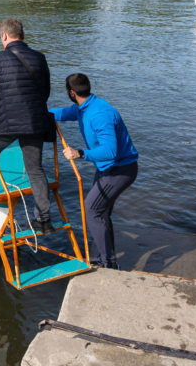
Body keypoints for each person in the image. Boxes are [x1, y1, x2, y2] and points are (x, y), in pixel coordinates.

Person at [0, 18, 54, 234]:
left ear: (4, 36)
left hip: (6, 122)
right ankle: (44, 220)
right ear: (21, 35)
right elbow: (46, 90)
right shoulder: (40, 58)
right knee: (35, 170)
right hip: (34, 122)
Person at [51, 73, 138, 269]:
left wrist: (79, 153)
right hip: (107, 169)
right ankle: (107, 259)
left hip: (120, 170)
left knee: (92, 211)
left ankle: (108, 263)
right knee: (101, 213)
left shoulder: (99, 114)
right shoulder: (85, 106)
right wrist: (40, 113)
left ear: (71, 92)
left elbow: (110, 151)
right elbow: (65, 113)